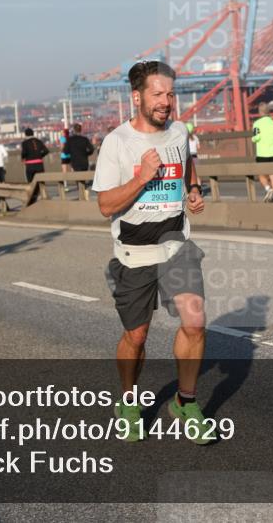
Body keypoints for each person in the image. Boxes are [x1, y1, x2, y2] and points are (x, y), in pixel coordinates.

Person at [93, 59, 215, 444]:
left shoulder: (178, 133)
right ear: (138, 97)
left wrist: (193, 191)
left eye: (170, 94)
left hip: (176, 246)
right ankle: (129, 401)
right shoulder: (117, 142)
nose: (166, 102)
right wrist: (142, 178)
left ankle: (186, 401)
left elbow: (187, 164)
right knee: (137, 337)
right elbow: (106, 205)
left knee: (194, 321)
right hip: (133, 254)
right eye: (158, 94)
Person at [252, 101, 273, 203]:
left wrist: (254, 139)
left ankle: (268, 189)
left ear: (260, 112)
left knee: (261, 174)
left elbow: (256, 137)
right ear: (269, 112)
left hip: (262, 154)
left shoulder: (256, 124)